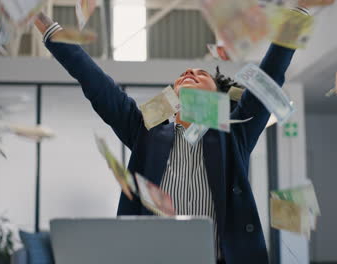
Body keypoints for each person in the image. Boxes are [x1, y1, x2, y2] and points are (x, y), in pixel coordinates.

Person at [34, 5, 308, 264]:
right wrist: (44, 24)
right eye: (183, 75)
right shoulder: (146, 134)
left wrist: (299, 14)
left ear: (220, 98)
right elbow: (94, 81)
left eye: (200, 74)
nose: (189, 72)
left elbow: (269, 75)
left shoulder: (235, 136)